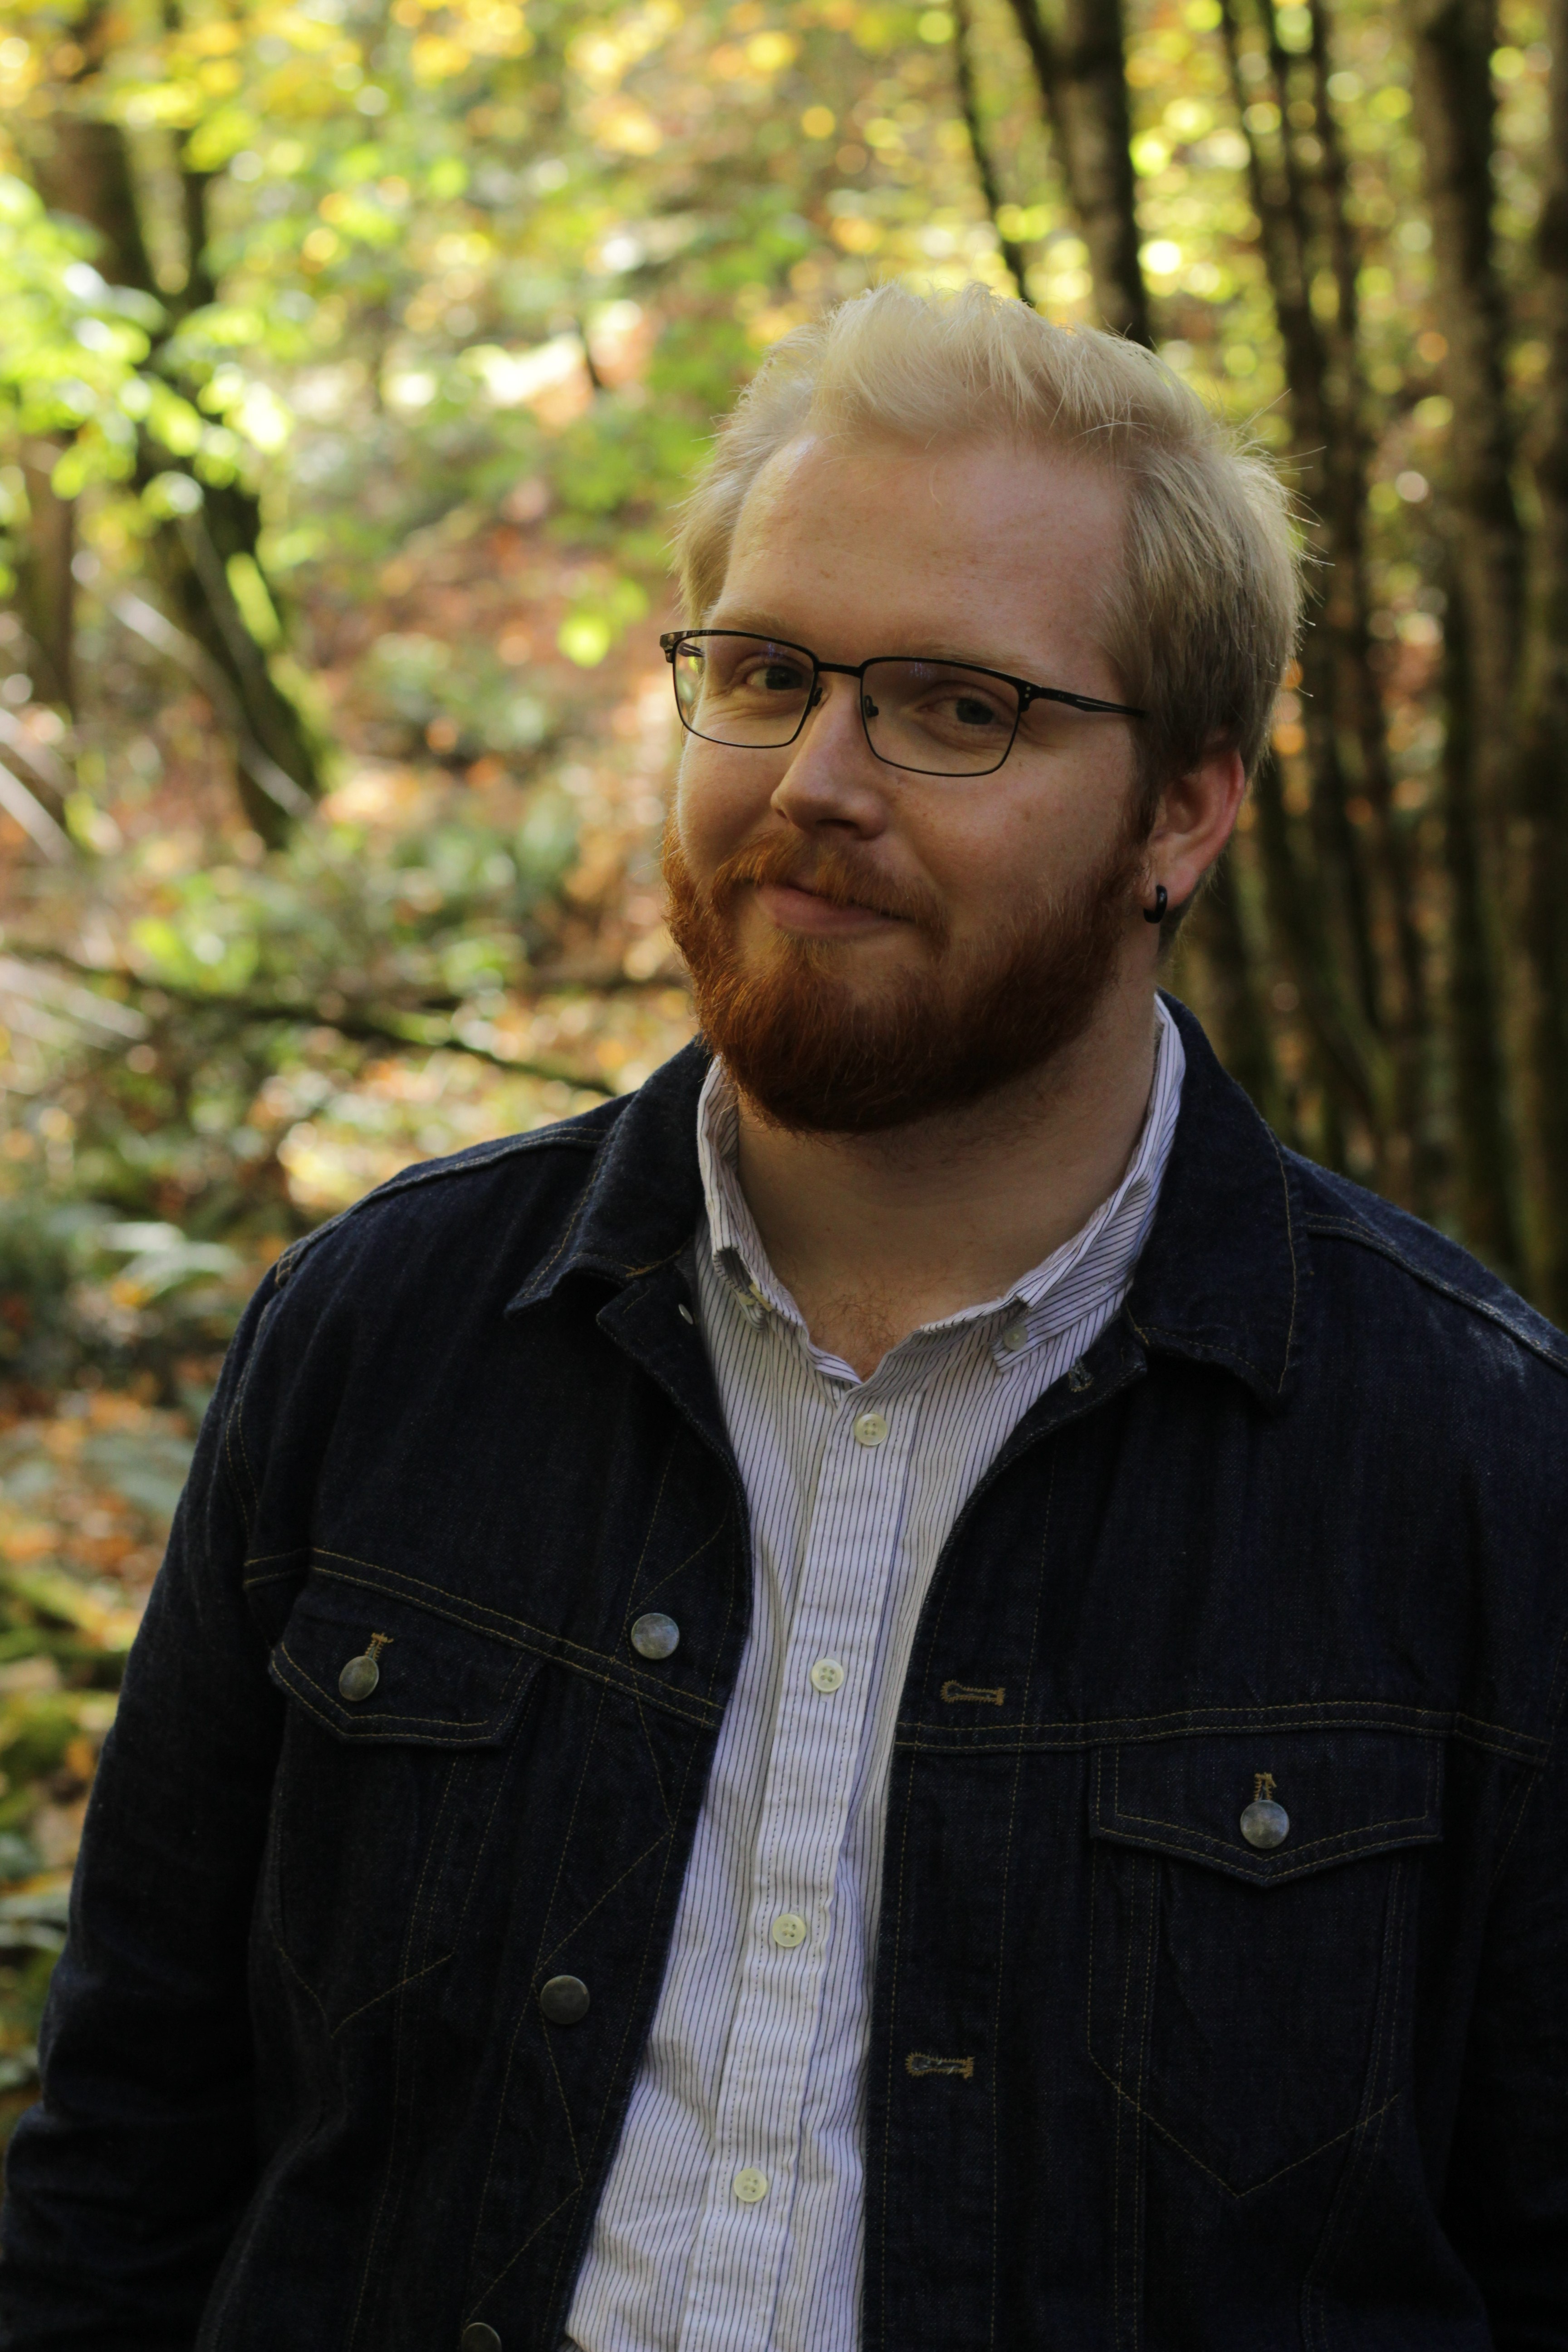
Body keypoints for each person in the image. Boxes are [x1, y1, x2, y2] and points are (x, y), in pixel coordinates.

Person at [3, 283, 1565, 2352]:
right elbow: (129, 2151)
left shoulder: (1473, 1463)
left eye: (953, 705)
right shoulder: (385, 1334)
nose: (817, 777)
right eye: (760, 674)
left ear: (1186, 812)